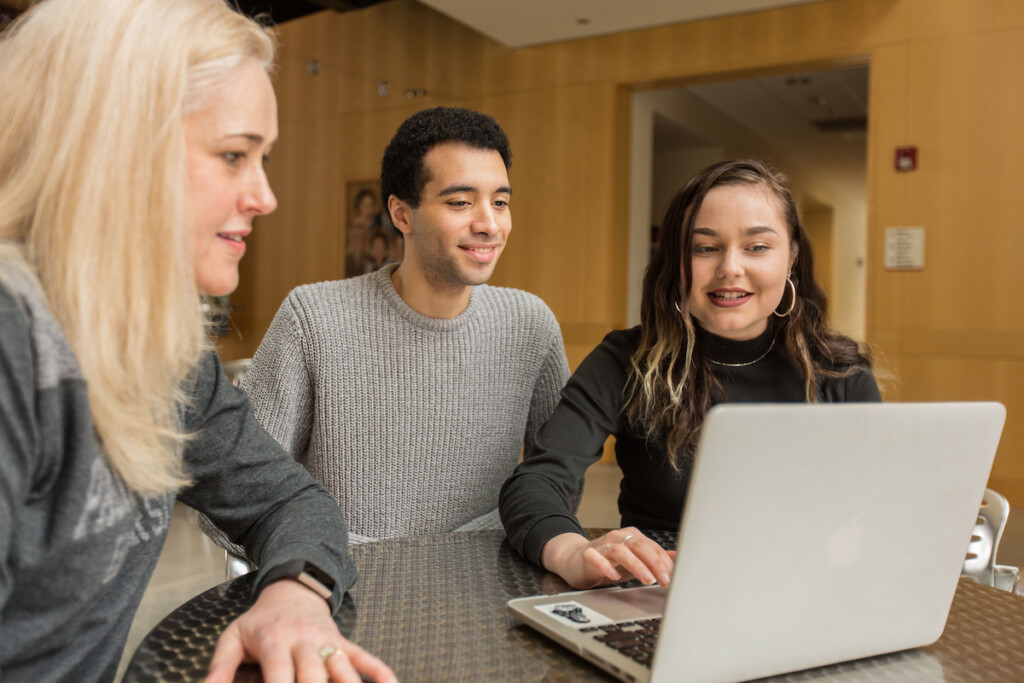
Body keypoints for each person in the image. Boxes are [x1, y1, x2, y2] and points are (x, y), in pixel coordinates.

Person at [0, 1, 395, 681]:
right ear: (112, 146)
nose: (265, 196)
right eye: (234, 154)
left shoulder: (164, 354)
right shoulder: (14, 336)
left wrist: (295, 593)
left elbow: (290, 500)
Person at [500, 158, 881, 590]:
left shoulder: (841, 375)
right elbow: (538, 481)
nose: (729, 268)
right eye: (705, 248)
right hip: (661, 594)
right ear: (677, 263)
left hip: (805, 589)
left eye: (757, 247)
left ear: (791, 258)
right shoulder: (625, 359)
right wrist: (572, 551)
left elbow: (873, 514)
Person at [218, 106, 570, 545]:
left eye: (500, 202)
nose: (489, 224)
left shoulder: (530, 326)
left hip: (486, 592)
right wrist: (336, 555)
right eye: (460, 202)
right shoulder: (313, 319)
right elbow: (234, 495)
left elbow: (557, 486)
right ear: (401, 214)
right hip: (344, 594)